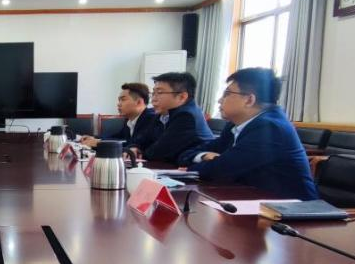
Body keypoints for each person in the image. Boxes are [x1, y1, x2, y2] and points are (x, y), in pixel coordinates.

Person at [178, 68, 318, 200]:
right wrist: (203, 156)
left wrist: (191, 168)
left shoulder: (270, 128)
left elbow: (220, 170)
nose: (219, 100)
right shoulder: (236, 124)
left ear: (249, 100)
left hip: (291, 210)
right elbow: (186, 155)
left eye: (227, 94)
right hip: (253, 199)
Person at [129, 72, 214, 163]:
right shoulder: (163, 113)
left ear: (182, 97)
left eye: (159, 92)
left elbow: (159, 152)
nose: (153, 99)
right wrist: (134, 147)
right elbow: (141, 139)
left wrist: (140, 152)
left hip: (195, 167)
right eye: (153, 93)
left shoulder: (186, 116)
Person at [79, 83, 159, 150]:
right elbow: (118, 137)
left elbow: (135, 143)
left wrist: (100, 143)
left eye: (123, 100)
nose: (118, 104)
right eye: (119, 100)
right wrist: (95, 138)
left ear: (139, 102)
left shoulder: (151, 118)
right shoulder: (129, 119)